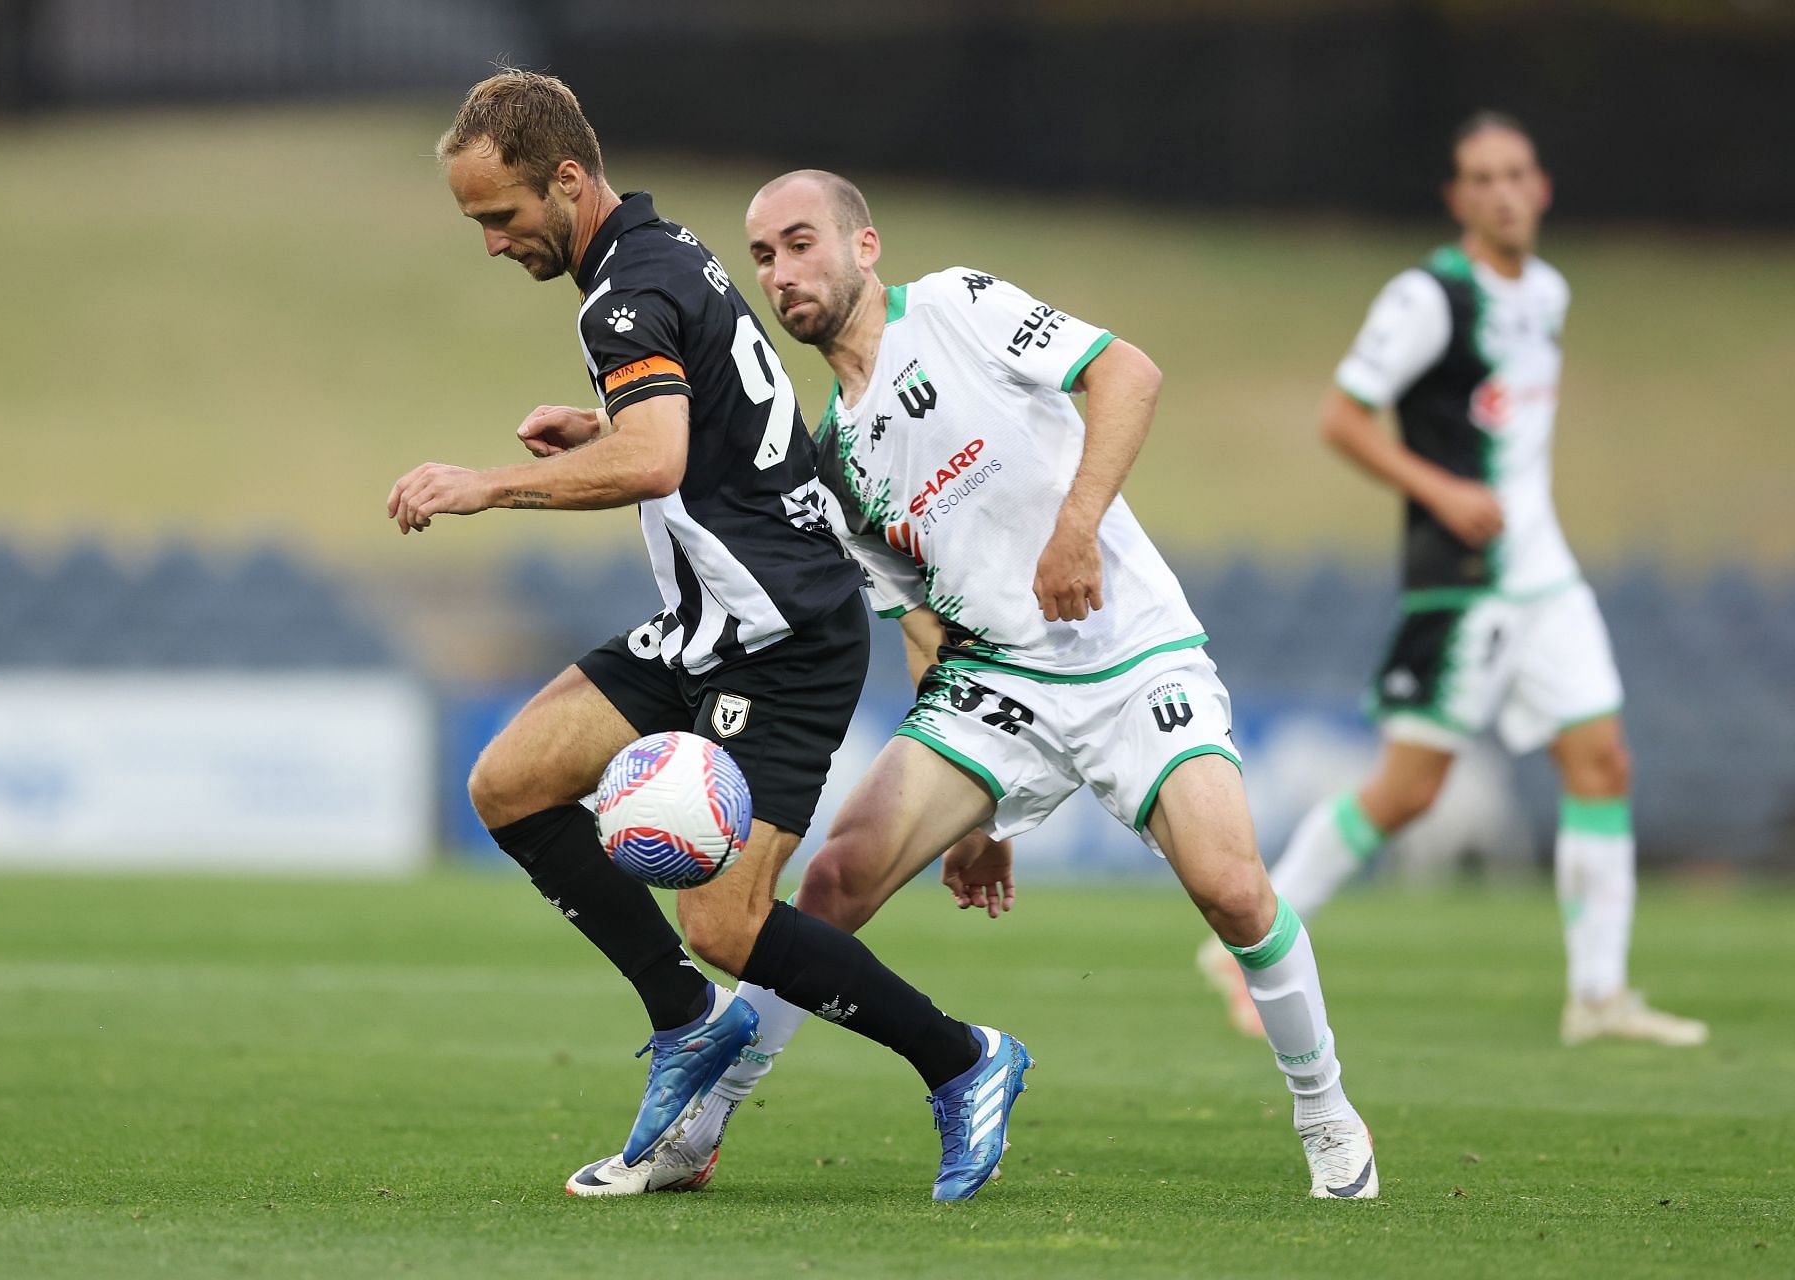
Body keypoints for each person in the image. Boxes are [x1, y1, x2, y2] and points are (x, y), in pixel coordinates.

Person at [573, 169, 1378, 1201]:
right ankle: (706, 1122)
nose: (782, 271)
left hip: (1129, 650)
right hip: (997, 681)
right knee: (832, 883)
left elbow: (1128, 372)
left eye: (802, 241)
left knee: (1230, 887)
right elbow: (923, 618)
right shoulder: (833, 461)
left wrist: (1078, 523)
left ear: (864, 247)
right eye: (764, 255)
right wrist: (978, 808)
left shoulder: (953, 305)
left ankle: (1323, 1108)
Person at [388, 71, 1027, 1201]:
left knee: (725, 924)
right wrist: (605, 420)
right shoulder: (663, 252)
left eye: (500, 215)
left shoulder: (620, 299)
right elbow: (732, 418)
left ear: (569, 181)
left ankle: (965, 1057)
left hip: (783, 639)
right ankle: (687, 1025)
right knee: (508, 784)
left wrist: (481, 485)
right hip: (706, 623)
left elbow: (657, 460)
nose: (491, 242)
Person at [1200, 113, 1706, 1049]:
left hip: (1545, 578)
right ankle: (1244, 941)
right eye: (1483, 178)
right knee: (1408, 790)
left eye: (1517, 173)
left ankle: (1598, 995)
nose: (1504, 191)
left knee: (1604, 764)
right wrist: (1443, 491)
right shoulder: (1429, 296)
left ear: (1541, 185)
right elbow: (1343, 417)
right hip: (1466, 584)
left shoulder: (1547, 292)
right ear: (1458, 198)